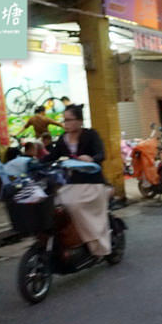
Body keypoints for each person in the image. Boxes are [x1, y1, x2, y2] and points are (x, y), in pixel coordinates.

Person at [42, 104, 111, 256]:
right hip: (71, 183)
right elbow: (51, 156)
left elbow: (101, 154)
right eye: (64, 120)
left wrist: (91, 159)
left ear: (79, 121)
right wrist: (32, 162)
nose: (65, 124)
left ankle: (94, 243)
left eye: (69, 120)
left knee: (74, 205)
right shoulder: (62, 139)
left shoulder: (91, 135)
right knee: (57, 207)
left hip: (92, 183)